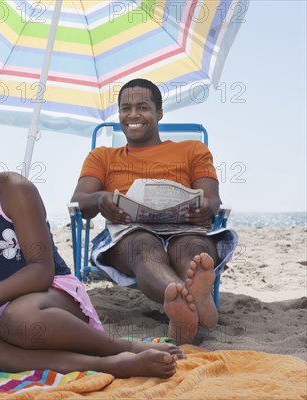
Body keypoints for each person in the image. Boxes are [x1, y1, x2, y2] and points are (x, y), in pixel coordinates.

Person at [0, 105, 185, 378]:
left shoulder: (15, 191)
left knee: (21, 318)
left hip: (54, 299)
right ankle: (106, 365)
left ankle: (118, 348)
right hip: (8, 308)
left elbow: (41, 271)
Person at [70, 78, 238, 344]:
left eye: (142, 107)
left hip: (184, 227)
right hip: (128, 232)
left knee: (192, 248)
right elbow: (80, 201)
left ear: (159, 113)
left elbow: (212, 200)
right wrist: (101, 198)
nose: (133, 114)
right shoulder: (102, 156)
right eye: (125, 108)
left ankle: (184, 307)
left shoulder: (192, 150)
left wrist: (206, 207)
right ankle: (188, 299)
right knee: (144, 247)